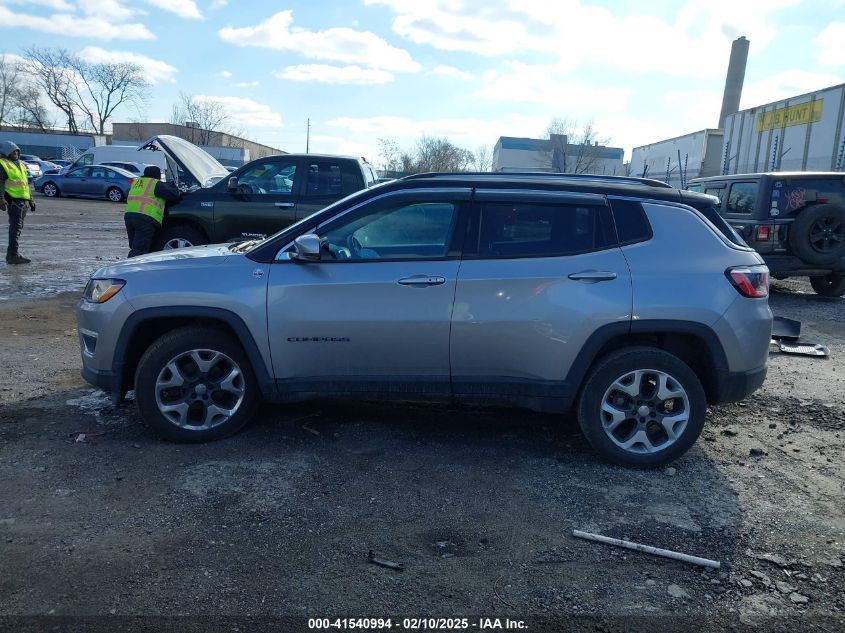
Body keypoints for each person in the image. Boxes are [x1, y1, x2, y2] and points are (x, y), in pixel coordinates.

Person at [124, 165, 180, 257]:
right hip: (145, 218)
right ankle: (130, 269)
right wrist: (173, 185)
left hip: (129, 217)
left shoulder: (137, 182)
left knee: (135, 246)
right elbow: (174, 195)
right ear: (157, 175)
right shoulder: (155, 184)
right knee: (139, 250)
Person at [0, 141, 35, 265]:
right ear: (6, 152)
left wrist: (31, 200)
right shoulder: (3, 164)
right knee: (15, 228)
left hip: (23, 200)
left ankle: (12, 255)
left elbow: (25, 183)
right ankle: (13, 256)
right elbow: (1, 182)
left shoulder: (21, 164)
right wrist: (1, 198)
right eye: (12, 151)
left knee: (18, 228)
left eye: (17, 151)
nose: (15, 153)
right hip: (13, 201)